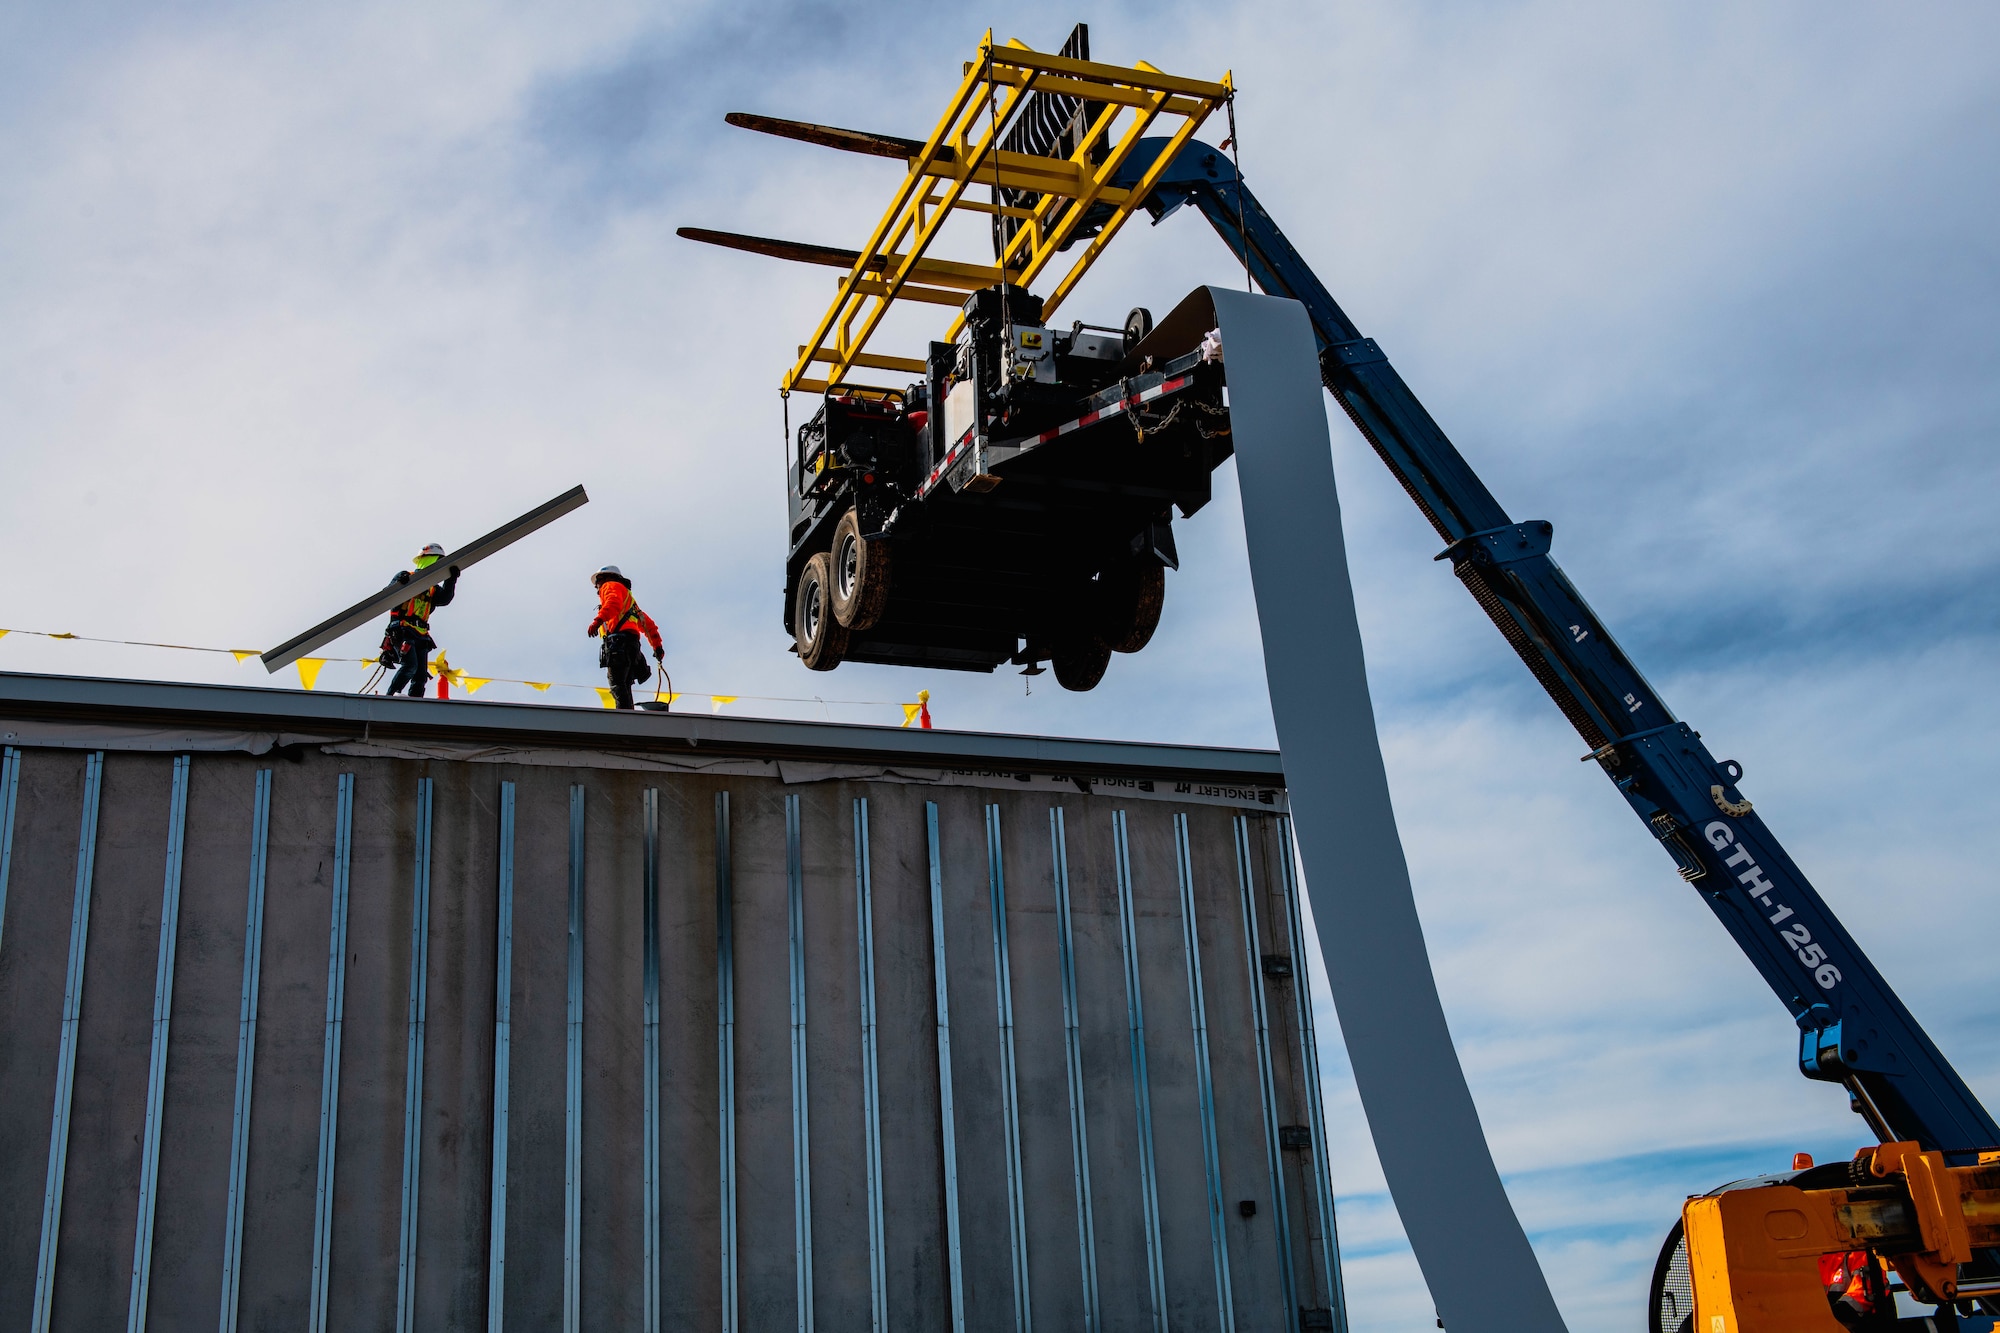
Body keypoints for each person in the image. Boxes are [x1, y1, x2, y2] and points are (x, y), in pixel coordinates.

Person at [379, 544, 459, 697]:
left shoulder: (433, 588)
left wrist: (451, 578)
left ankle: (414, 702)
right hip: (402, 629)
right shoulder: (406, 576)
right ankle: (391, 697)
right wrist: (401, 584)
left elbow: (445, 599)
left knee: (420, 676)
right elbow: (387, 595)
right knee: (409, 666)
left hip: (421, 634)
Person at [587, 566, 664, 710]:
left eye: (597, 582)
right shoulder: (630, 602)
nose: (597, 587)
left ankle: (624, 718)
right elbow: (649, 626)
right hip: (631, 646)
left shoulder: (610, 586)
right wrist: (657, 647)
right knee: (625, 684)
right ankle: (628, 715)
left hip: (619, 645)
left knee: (617, 683)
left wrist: (597, 621)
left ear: (604, 578)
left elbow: (612, 603)